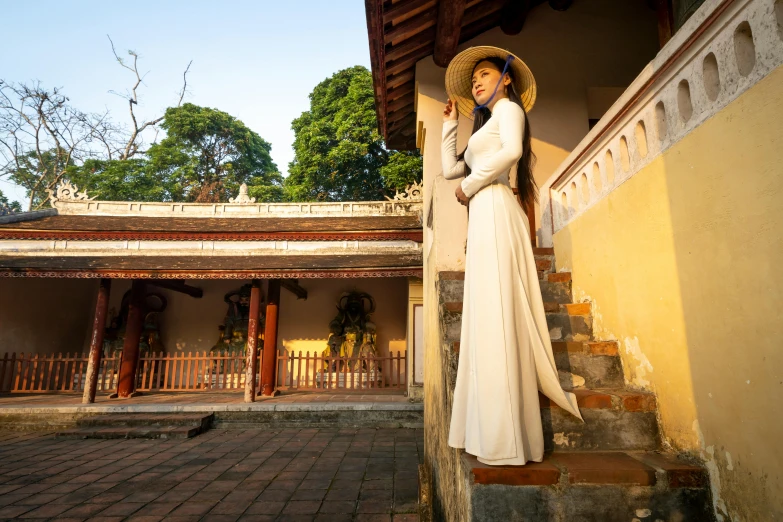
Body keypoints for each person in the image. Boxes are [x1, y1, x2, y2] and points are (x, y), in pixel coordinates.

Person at [441, 46, 583, 466]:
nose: (477, 82)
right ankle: (485, 430)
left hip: (498, 208)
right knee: (485, 311)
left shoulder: (509, 112)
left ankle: (507, 438)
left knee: (500, 308)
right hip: (482, 213)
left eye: (484, 74)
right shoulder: (482, 128)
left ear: (505, 78)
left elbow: (513, 153)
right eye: (473, 79)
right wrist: (449, 125)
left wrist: (470, 187)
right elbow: (451, 169)